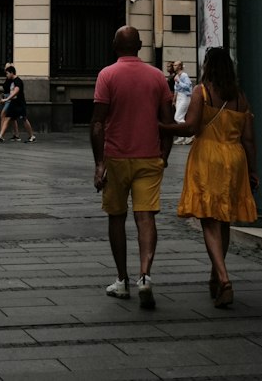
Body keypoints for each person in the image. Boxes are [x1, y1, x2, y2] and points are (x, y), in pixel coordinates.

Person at [162, 46, 258, 309]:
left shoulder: (201, 92)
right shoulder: (240, 97)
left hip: (208, 158)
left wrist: (163, 127)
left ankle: (224, 279)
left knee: (208, 218)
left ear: (208, 66)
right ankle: (216, 275)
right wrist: (252, 170)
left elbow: (191, 127)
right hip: (234, 159)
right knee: (223, 220)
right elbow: (249, 139)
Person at [91, 25, 173, 309]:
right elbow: (168, 121)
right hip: (149, 156)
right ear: (139, 46)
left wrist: (99, 163)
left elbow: (98, 122)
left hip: (115, 157)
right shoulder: (157, 77)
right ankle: (145, 275)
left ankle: (122, 281)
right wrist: (164, 154)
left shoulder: (107, 75)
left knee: (116, 216)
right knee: (145, 217)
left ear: (115, 46)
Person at [0, 63, 36, 143]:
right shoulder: (11, 81)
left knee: (24, 119)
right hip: (13, 103)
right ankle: (0, 137)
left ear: (12, 73)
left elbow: (15, 92)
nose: (6, 75)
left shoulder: (18, 81)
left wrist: (6, 100)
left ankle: (32, 136)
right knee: (7, 118)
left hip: (19, 104)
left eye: (7, 73)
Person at [173, 60, 193, 143]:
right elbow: (176, 89)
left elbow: (188, 86)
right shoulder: (177, 75)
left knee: (177, 117)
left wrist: (178, 81)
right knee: (180, 117)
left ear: (180, 66)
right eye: (174, 65)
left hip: (185, 97)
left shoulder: (184, 75)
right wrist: (174, 99)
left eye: (175, 65)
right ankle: (182, 137)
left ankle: (190, 134)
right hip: (179, 97)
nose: (174, 66)